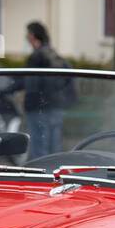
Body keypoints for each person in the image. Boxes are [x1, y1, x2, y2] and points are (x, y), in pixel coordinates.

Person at [22, 21, 74, 157]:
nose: (26, 37)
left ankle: (41, 177)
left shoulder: (36, 57)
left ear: (32, 36)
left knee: (39, 149)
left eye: (27, 34)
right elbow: (68, 77)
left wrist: (3, 90)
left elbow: (27, 81)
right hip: (56, 107)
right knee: (55, 149)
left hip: (38, 108)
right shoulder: (53, 54)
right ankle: (55, 175)